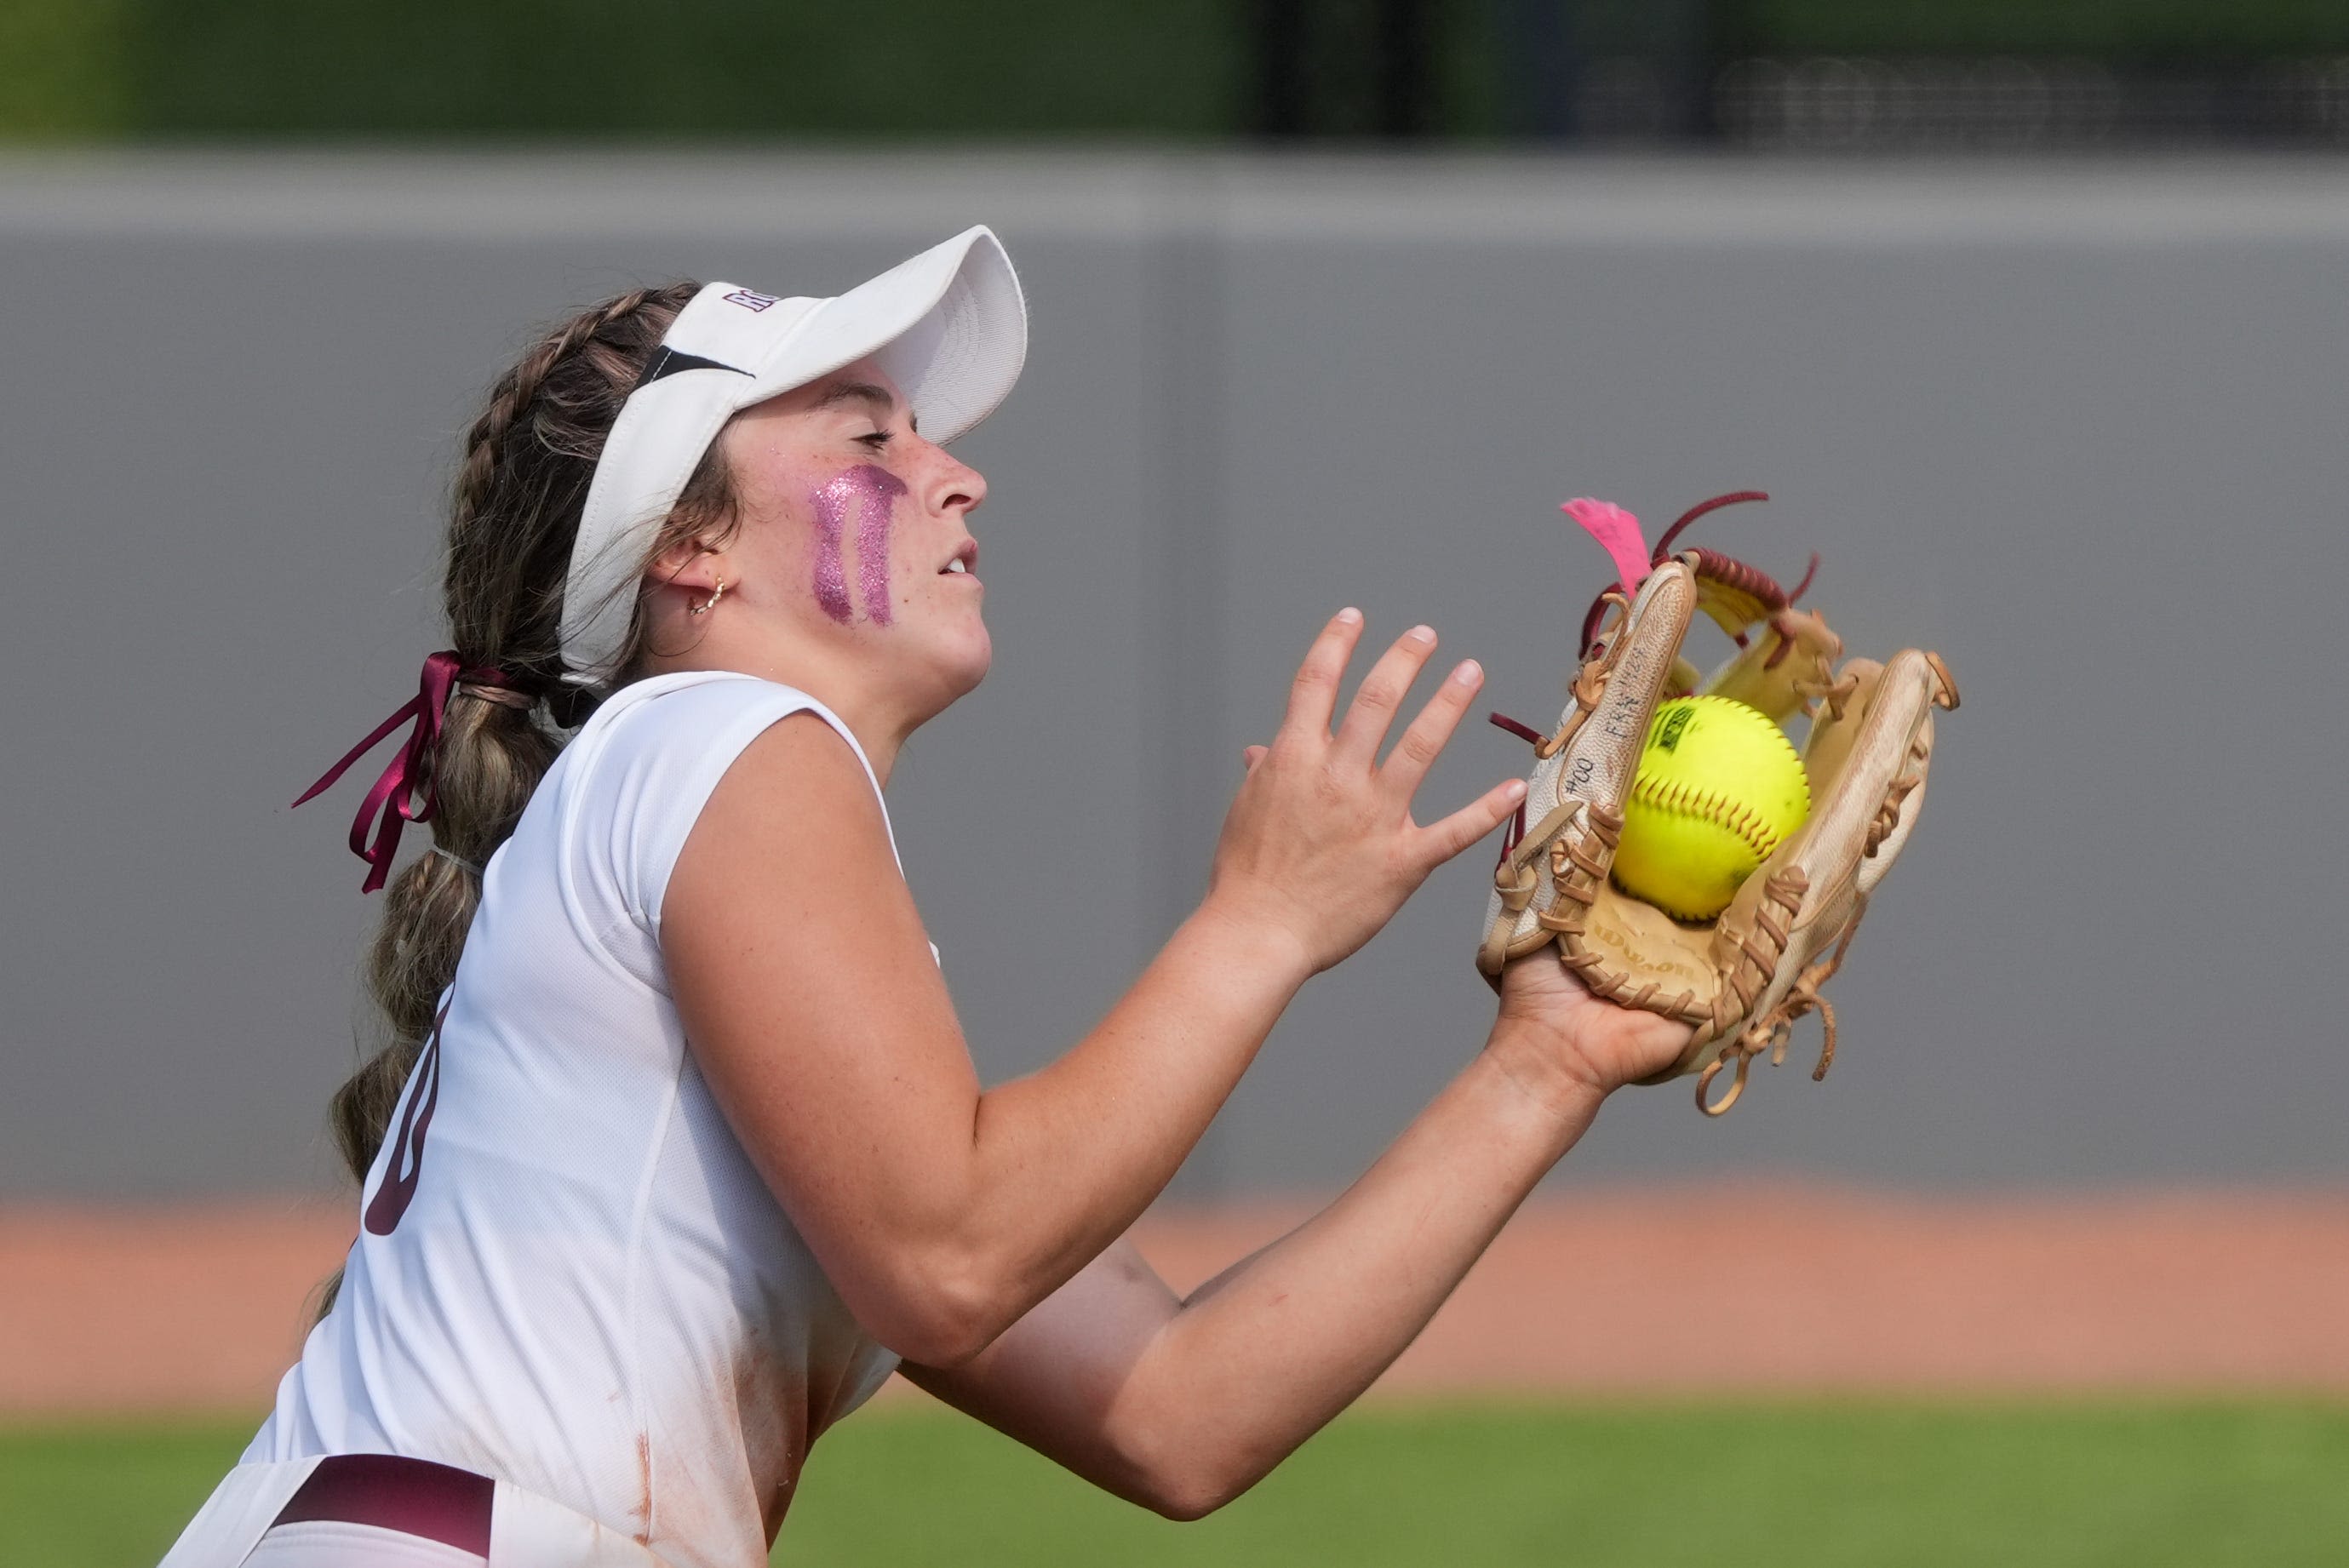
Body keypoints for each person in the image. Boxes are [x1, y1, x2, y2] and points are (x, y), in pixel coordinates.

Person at [160, 227, 1692, 1568]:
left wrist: (1543, 1063)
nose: (955, 470)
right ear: (690, 548)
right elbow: (949, 1259)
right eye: (867, 438)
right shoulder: (718, 733)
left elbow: (1176, 1410)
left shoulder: (675, 816)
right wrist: (1264, 920)